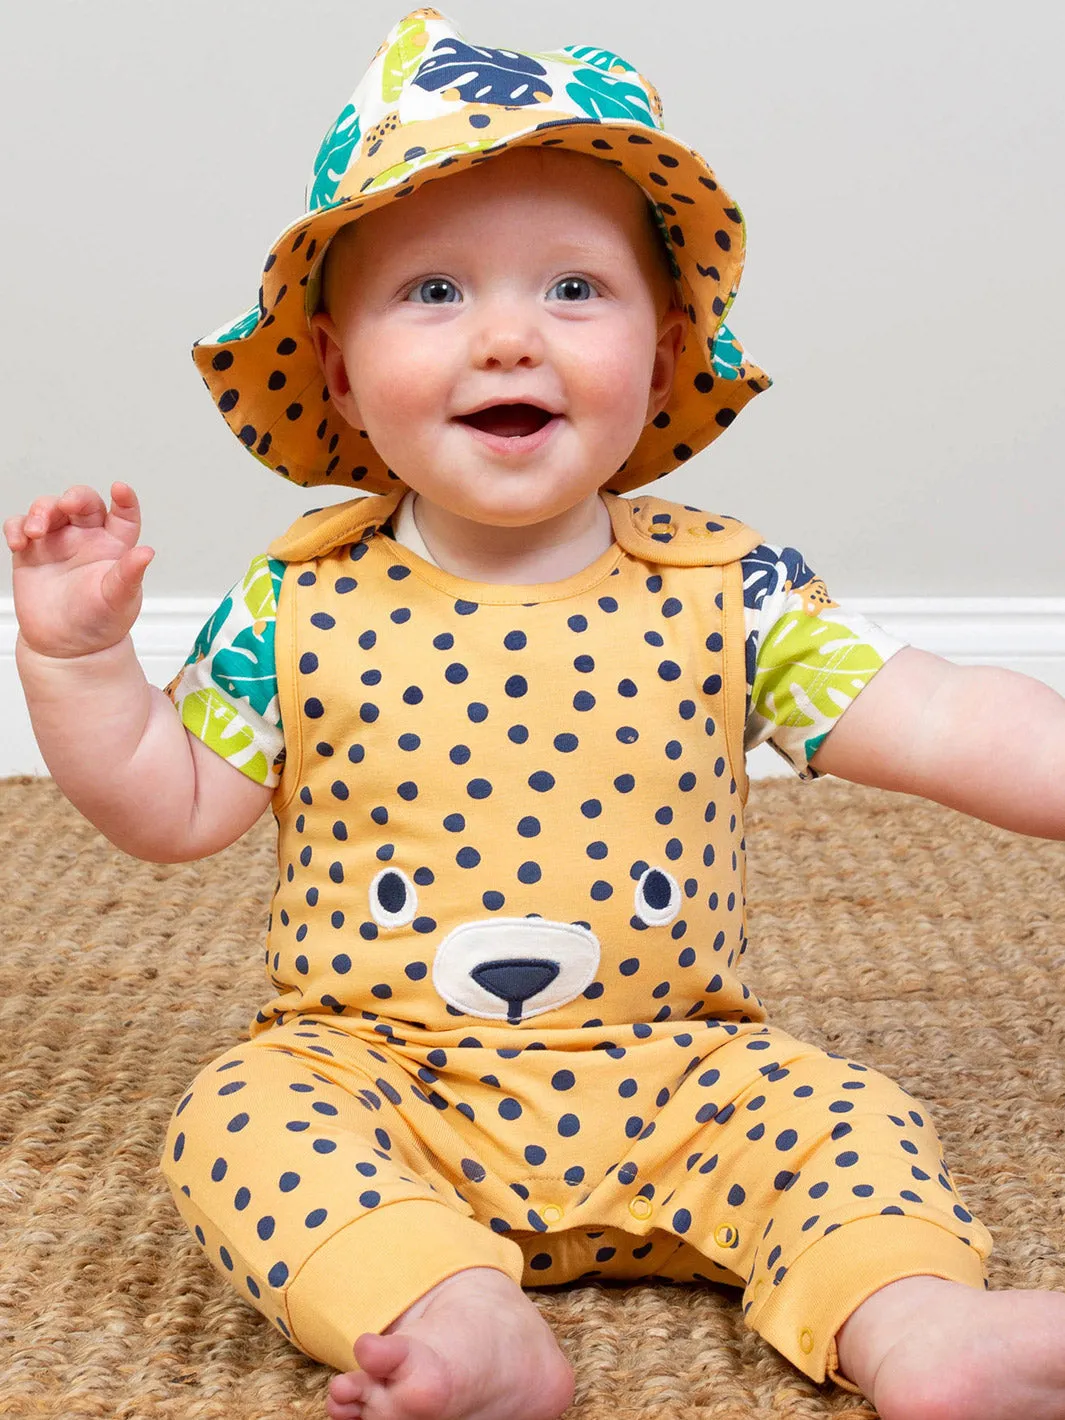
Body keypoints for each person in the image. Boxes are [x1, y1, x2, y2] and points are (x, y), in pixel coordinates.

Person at [7, 9, 1065, 1420]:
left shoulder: (728, 586)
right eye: (434, 294)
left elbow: (936, 716)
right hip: (380, 1073)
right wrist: (79, 668)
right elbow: (170, 804)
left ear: (668, 341)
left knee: (843, 1119)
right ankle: (454, 1310)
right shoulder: (295, 602)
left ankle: (920, 1324)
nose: (509, 335)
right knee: (238, 1116)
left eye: (575, 290)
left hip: (686, 1068)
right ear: (334, 370)